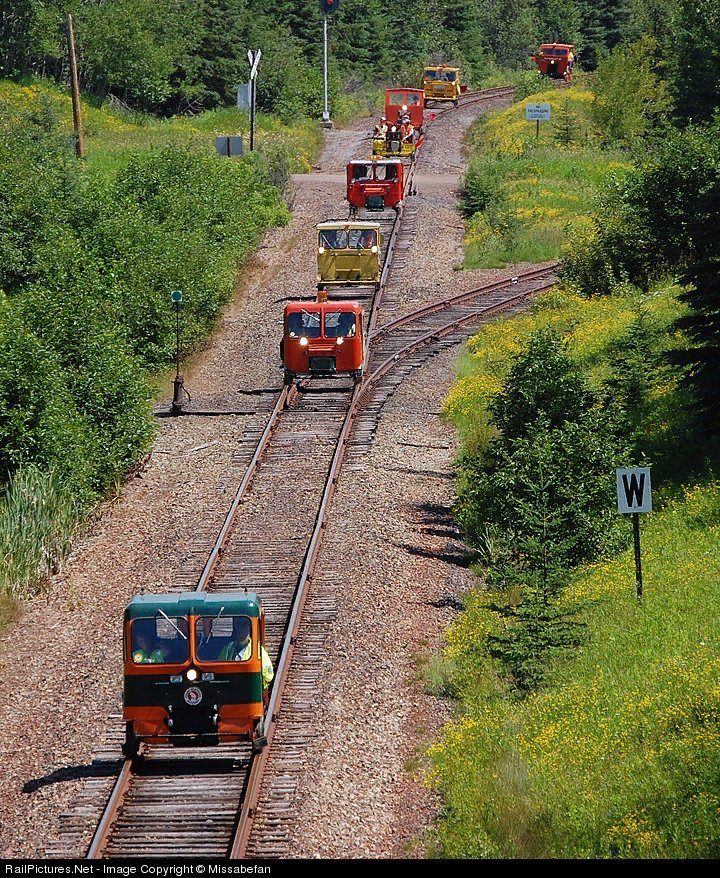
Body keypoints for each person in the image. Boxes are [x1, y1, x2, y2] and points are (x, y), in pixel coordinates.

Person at [218, 617, 274, 686]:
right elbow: (218, 669)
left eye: (244, 625)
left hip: (248, 691)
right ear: (235, 627)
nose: (241, 628)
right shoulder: (227, 648)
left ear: (249, 627)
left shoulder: (258, 650)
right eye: (239, 625)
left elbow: (268, 676)